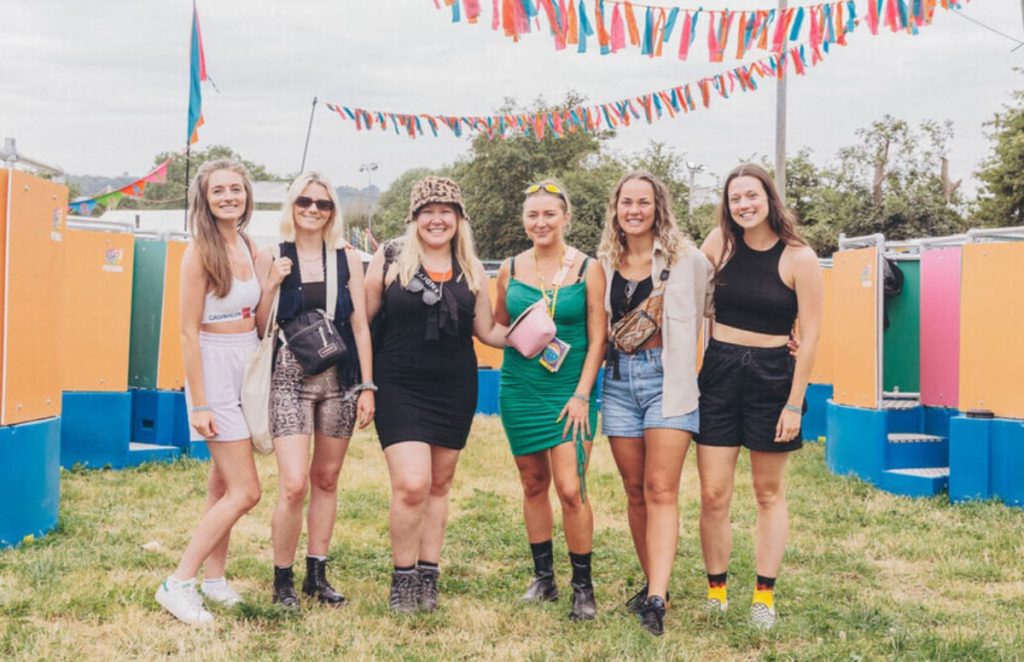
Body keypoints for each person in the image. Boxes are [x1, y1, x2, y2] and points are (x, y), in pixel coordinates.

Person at [364, 176, 506, 614]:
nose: (437, 219)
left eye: (446, 211)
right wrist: (363, 384)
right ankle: (402, 580)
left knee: (439, 486)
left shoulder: (472, 268)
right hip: (398, 383)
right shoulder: (388, 258)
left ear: (459, 218)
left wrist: (536, 333)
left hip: (454, 386)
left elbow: (486, 331)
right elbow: (362, 325)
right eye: (428, 211)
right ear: (414, 218)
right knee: (412, 485)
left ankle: (429, 575)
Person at [697, 163, 823, 630]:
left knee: (768, 493)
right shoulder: (718, 244)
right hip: (720, 372)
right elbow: (683, 290)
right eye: (735, 198)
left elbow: (809, 337)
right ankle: (716, 590)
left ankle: (764, 596)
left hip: (773, 379)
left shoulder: (800, 257)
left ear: (769, 198)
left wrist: (794, 403)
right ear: (727, 205)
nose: (744, 204)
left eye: (752, 195)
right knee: (713, 493)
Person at [598, 171, 714, 636]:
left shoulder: (689, 260)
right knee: (634, 489)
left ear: (657, 207)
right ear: (616, 208)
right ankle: (652, 582)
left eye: (643, 202)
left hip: (670, 381)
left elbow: (720, 310)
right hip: (619, 380)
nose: (634, 210)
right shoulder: (604, 261)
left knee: (661, 488)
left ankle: (657, 600)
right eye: (627, 202)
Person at [253, 172, 376, 610]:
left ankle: (316, 574)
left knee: (326, 479)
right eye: (305, 201)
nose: (312, 210)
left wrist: (367, 385)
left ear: (332, 212)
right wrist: (271, 283)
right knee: (292, 484)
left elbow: (360, 323)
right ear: (291, 205)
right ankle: (282, 579)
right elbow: (259, 323)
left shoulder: (348, 259)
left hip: (339, 380)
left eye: (322, 204)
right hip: (289, 378)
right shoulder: (273, 255)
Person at [493, 180, 607, 621]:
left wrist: (583, 394)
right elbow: (500, 327)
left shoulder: (587, 268)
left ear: (566, 218)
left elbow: (599, 338)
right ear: (525, 221)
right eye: (533, 215)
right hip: (519, 388)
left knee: (572, 488)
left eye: (549, 214)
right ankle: (544, 578)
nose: (540, 222)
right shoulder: (509, 267)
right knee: (532, 484)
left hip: (569, 393)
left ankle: (583, 585)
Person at [155, 159, 263, 625]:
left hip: (249, 362)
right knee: (246, 491)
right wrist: (199, 402)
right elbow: (185, 332)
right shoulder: (199, 252)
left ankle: (214, 581)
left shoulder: (247, 243)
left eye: (235, 189)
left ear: (246, 195)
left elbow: (258, 315)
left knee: (220, 485)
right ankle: (177, 582)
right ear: (205, 198)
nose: (228, 197)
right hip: (213, 370)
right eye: (218, 191)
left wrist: (273, 282)